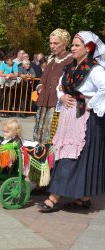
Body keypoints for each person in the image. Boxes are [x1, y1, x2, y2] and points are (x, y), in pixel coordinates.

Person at [39, 31, 105, 213]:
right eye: (73, 45)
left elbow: (104, 87)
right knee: (74, 157)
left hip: (86, 120)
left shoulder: (95, 68)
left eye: (77, 45)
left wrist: (91, 104)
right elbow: (61, 87)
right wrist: (63, 95)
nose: (73, 48)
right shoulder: (70, 68)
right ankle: (83, 197)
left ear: (88, 48)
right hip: (69, 118)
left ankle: (53, 198)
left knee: (73, 158)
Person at [33, 29, 73, 144]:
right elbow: (44, 77)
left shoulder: (70, 59)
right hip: (45, 99)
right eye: (51, 43)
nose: (52, 46)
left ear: (64, 43)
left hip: (57, 101)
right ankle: (40, 155)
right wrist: (40, 87)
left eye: (56, 43)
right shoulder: (52, 59)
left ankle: (50, 157)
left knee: (52, 133)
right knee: (40, 133)